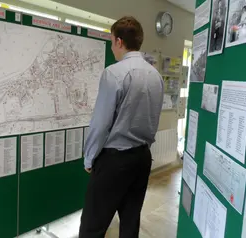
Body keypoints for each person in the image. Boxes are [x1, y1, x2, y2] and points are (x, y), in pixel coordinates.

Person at [79, 16, 164, 238]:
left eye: (111, 42)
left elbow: (100, 123)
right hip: (142, 158)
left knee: (92, 225)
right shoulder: (156, 75)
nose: (112, 48)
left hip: (114, 161)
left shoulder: (114, 73)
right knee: (130, 221)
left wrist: (89, 158)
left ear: (119, 41)